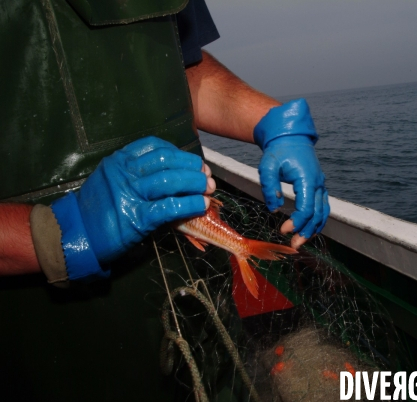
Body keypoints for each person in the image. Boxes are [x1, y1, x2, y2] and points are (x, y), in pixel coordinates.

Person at [0, 0, 328, 398]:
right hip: (54, 325)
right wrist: (58, 236)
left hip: (197, 281)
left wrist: (272, 121)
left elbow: (177, 64)